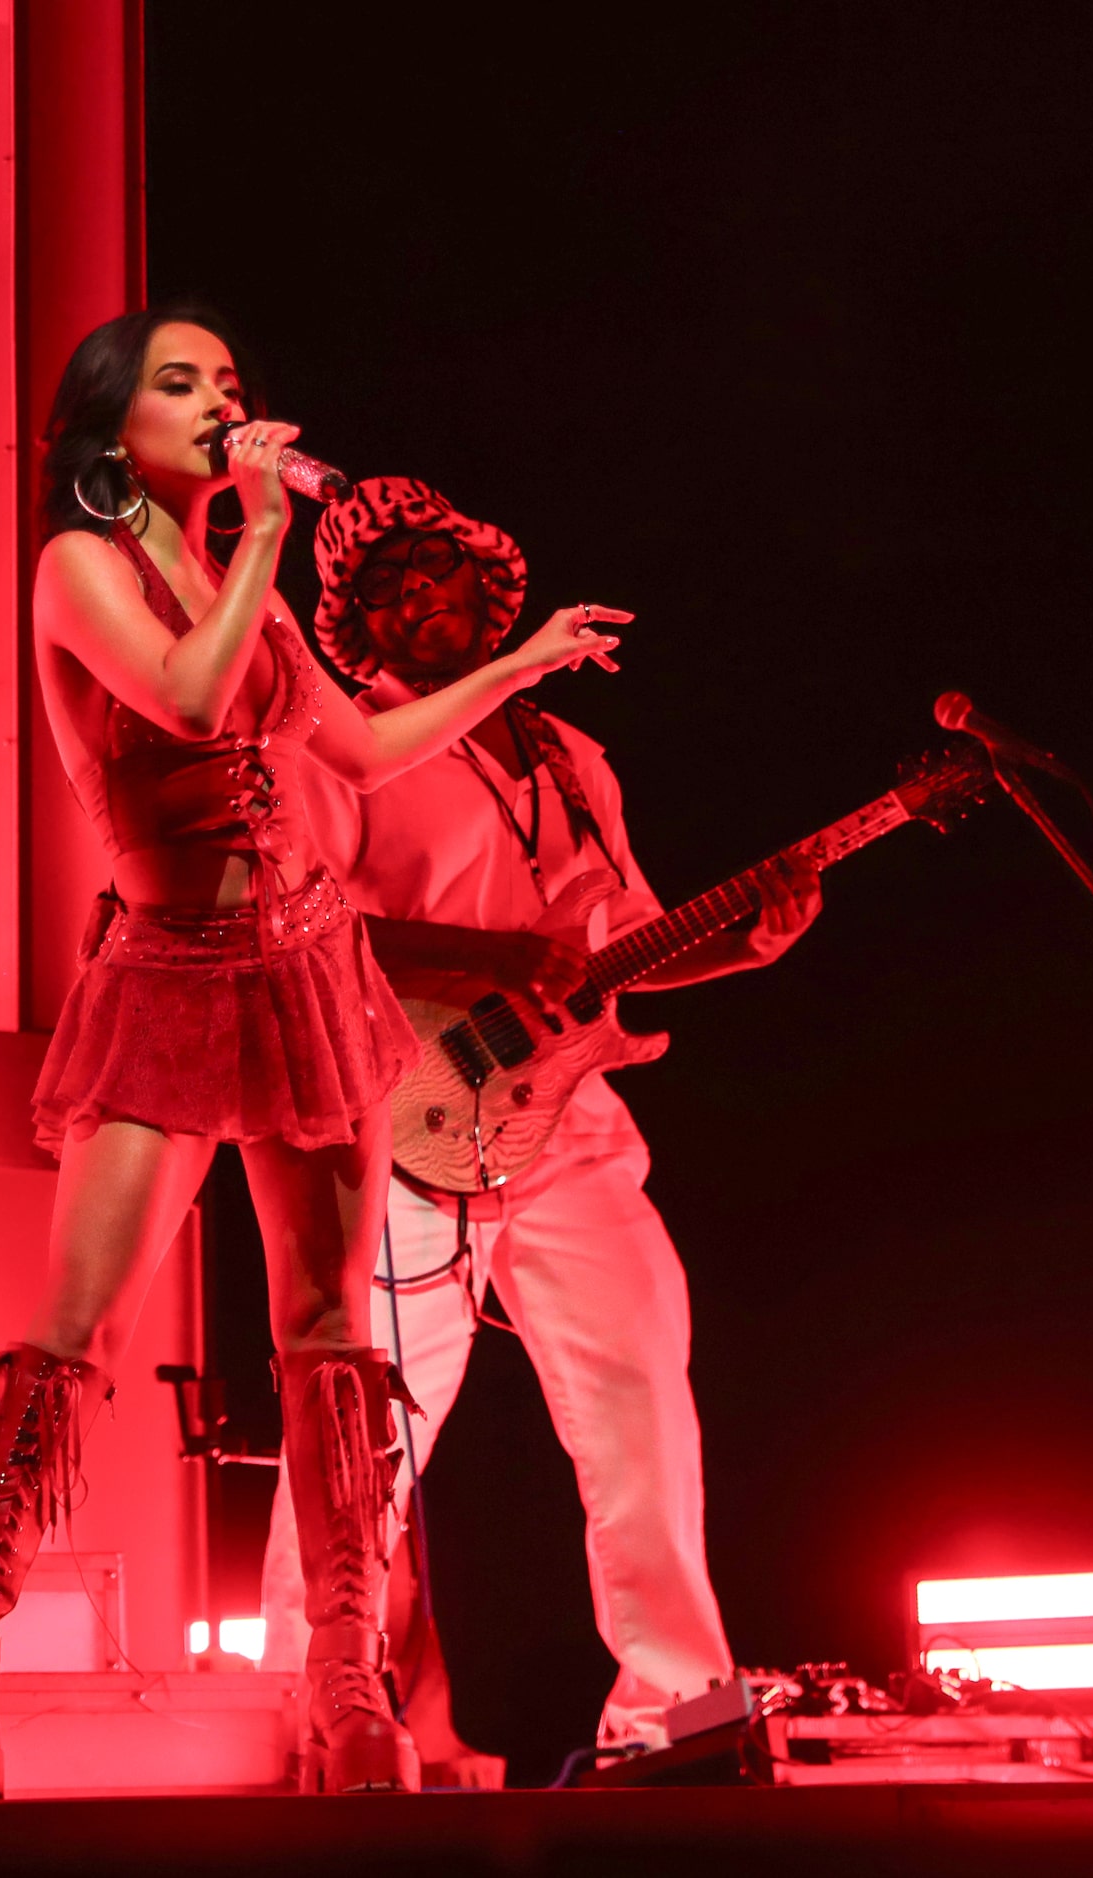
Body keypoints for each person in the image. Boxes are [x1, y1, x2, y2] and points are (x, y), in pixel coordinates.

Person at [0, 312, 622, 1802]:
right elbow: (185, 699)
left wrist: (520, 666)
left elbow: (351, 756)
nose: (222, 402)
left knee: (331, 1335)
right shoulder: (78, 566)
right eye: (184, 383)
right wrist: (270, 535)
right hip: (166, 968)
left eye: (233, 383)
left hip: (307, 965)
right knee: (76, 1328)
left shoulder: (250, 588)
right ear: (110, 430)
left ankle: (347, 1677)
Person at [255, 477, 822, 1758]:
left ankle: (672, 1710)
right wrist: (480, 960)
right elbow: (307, 924)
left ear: (485, 586)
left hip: (568, 1113)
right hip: (403, 1116)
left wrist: (743, 948)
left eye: (438, 570)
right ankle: (293, 1700)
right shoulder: (347, 744)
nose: (420, 596)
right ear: (357, 621)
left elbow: (617, 942)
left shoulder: (576, 758)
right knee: (375, 1421)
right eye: (388, 584)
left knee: (640, 1396)